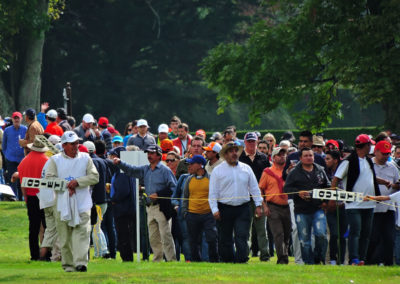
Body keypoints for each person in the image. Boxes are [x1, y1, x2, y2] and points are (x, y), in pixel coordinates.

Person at [45, 131, 99, 272]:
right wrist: (65, 185)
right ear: (64, 145)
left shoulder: (86, 158)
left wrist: (78, 182)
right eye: (72, 143)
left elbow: (94, 177)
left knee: (83, 233)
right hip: (62, 203)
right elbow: (49, 179)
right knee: (65, 236)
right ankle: (68, 265)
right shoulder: (55, 160)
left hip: (83, 202)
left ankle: (81, 263)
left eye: (77, 143)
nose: (76, 145)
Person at [112, 144, 177, 262]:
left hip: (162, 207)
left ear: (159, 155)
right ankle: (157, 259)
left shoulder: (165, 170)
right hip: (149, 207)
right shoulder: (145, 169)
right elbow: (132, 170)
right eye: (148, 153)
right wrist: (120, 163)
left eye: (152, 153)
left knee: (165, 235)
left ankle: (171, 260)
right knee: (153, 237)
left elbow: (174, 188)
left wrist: (159, 194)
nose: (149, 155)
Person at [209, 141, 265, 263]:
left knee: (242, 236)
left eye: (236, 151)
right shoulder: (217, 171)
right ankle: (228, 260)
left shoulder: (247, 168)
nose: (234, 153)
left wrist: (258, 205)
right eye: (231, 151)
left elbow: (254, 188)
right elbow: (213, 192)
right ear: (225, 154)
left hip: (243, 208)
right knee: (225, 238)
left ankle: (242, 260)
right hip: (224, 207)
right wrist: (214, 209)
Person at [331, 134, 381, 265]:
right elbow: (336, 179)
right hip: (353, 204)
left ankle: (362, 259)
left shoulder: (369, 161)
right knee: (355, 231)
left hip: (369, 204)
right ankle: (354, 258)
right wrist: (335, 197)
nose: (371, 147)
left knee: (366, 233)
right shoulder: (348, 161)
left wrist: (384, 182)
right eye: (369, 145)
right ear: (364, 146)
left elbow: (370, 177)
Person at [283, 148, 330, 264]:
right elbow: (286, 189)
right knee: (304, 240)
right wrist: (298, 192)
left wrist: (326, 201)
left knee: (321, 235)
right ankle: (309, 263)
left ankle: (318, 258)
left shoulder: (320, 170)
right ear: (300, 158)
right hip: (301, 210)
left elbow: (328, 186)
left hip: (318, 208)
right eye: (306, 156)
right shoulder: (294, 172)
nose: (309, 157)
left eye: (311, 155)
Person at [366, 140, 399, 266]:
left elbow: (397, 184)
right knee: (373, 238)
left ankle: (388, 263)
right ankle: (369, 262)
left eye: (387, 153)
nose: (386, 156)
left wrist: (394, 186)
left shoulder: (393, 167)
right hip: (372, 208)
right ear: (376, 152)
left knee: (389, 238)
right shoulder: (369, 165)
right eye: (383, 153)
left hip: (388, 208)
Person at [239, 132, 271, 262]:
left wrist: (265, 199)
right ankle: (244, 255)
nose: (252, 144)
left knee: (262, 230)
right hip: (244, 198)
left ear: (257, 142)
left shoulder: (263, 157)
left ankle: (265, 256)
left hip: (260, 198)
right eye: (249, 141)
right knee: (245, 230)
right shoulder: (239, 157)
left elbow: (268, 178)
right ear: (245, 142)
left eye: (254, 141)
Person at [16, 137, 49, 260]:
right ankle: (47, 254)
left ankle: (34, 254)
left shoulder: (24, 161)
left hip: (30, 196)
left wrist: (25, 197)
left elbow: (22, 183)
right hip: (45, 196)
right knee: (47, 226)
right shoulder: (47, 161)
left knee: (33, 227)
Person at [181, 155, 219, 262]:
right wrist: (185, 212)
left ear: (200, 165)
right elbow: (185, 196)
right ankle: (195, 261)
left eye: (192, 164)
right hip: (192, 214)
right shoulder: (188, 179)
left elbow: (216, 196)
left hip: (208, 215)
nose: (190, 166)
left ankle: (214, 261)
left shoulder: (211, 178)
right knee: (193, 241)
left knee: (212, 239)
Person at [259, 147, 291, 264]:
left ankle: (284, 255)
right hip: (273, 206)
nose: (282, 156)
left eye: (284, 154)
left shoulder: (290, 171)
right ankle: (282, 259)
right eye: (279, 154)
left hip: (288, 206)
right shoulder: (267, 172)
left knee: (287, 234)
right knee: (278, 233)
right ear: (273, 157)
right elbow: (260, 190)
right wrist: (264, 205)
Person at [109, 146, 137, 261]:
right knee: (124, 235)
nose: (110, 158)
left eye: (112, 155)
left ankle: (127, 258)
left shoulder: (122, 171)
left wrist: (114, 199)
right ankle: (126, 257)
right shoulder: (121, 170)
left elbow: (123, 190)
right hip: (125, 208)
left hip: (123, 209)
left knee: (124, 235)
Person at [83, 141, 110, 258]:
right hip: (104, 198)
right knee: (97, 226)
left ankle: (101, 252)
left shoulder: (90, 162)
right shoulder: (103, 162)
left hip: (96, 200)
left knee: (95, 227)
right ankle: (102, 250)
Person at [324, 150, 347, 265]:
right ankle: (333, 259)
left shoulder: (344, 172)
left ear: (336, 160)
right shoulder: (326, 173)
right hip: (331, 209)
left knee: (342, 236)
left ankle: (342, 260)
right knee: (334, 234)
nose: (325, 161)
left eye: (328, 159)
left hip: (343, 207)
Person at [3, 112, 27, 200]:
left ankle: (21, 198)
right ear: (12, 119)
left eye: (18, 118)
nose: (16, 120)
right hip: (11, 158)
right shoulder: (7, 130)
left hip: (22, 159)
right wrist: (7, 154)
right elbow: (4, 145)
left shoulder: (25, 129)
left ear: (21, 119)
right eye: (15, 118)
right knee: (12, 179)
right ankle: (13, 197)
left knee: (22, 179)